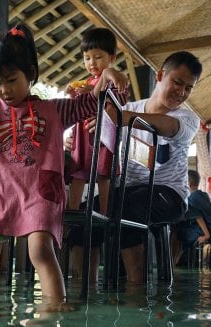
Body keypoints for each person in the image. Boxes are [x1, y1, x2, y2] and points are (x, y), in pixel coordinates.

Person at [0, 24, 128, 303]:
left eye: (11, 80)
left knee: (41, 252)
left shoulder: (57, 110)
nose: (4, 90)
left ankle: (54, 312)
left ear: (31, 75)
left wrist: (107, 73)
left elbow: (95, 100)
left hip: (39, 194)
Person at [72, 50, 203, 284]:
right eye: (178, 82)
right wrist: (79, 137)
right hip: (128, 188)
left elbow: (169, 127)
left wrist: (122, 118)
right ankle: (86, 289)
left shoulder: (187, 118)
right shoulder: (131, 107)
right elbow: (101, 138)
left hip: (169, 194)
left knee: (126, 208)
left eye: (188, 88)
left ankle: (136, 291)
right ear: (160, 75)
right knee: (85, 216)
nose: (181, 92)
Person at [65, 28, 120, 280]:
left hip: (103, 138)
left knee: (103, 173)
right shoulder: (84, 84)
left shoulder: (115, 80)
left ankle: (106, 213)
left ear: (112, 57)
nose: (92, 63)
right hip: (81, 136)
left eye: (98, 57)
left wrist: (108, 76)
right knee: (77, 172)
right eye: (87, 58)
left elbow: (119, 107)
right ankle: (72, 213)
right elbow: (74, 109)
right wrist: (72, 95)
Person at [173, 169, 211, 267]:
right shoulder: (204, 195)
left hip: (206, 231)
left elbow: (197, 216)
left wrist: (206, 235)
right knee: (182, 228)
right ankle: (177, 259)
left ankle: (175, 260)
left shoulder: (190, 198)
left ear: (188, 183)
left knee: (178, 232)